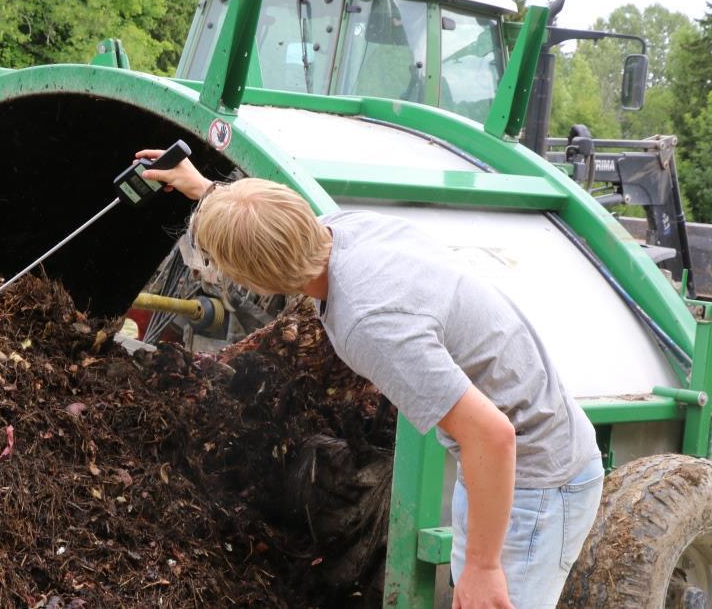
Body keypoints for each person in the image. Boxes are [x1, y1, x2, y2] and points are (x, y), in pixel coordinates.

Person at [134, 149, 604, 609]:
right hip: (502, 464)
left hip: (533, 484)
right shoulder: (344, 229)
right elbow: (273, 228)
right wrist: (208, 192)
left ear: (259, 279)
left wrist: (483, 566)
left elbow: (492, 435)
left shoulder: (368, 324)